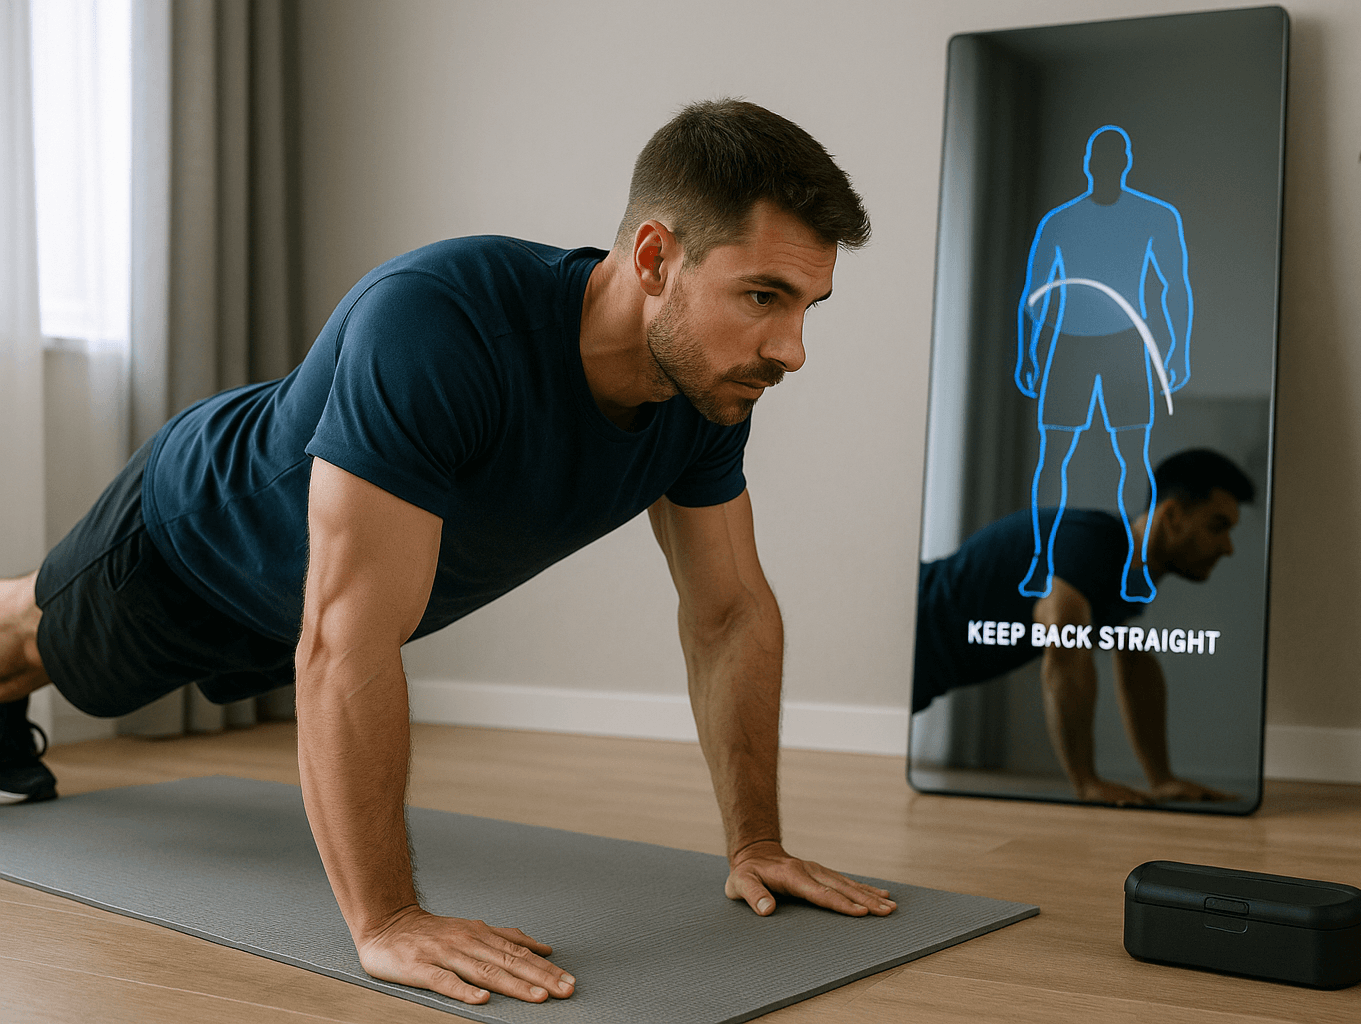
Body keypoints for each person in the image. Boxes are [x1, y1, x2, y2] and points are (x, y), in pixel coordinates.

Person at [0, 99, 896, 1007]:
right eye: (761, 297)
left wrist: (758, 843)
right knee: (33, 646)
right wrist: (387, 922)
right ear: (657, 257)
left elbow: (729, 611)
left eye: (806, 307)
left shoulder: (702, 393)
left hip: (302, 610)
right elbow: (347, 637)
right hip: (197, 538)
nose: (791, 350)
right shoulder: (442, 323)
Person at [911, 448, 1253, 806]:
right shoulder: (1097, 541)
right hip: (904, 621)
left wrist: (1162, 779)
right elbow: (1063, 638)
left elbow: (1136, 665)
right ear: (1171, 516)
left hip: (923, 669)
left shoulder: (1128, 579)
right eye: (1218, 526)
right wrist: (1086, 782)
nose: (1228, 547)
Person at [1014, 125, 1194, 603]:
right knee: (1055, 459)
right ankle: (1040, 559)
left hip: (1125, 346)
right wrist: (1028, 353)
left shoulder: (1154, 216)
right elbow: (1035, 295)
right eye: (1098, 158)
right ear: (1089, 164)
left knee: (1132, 458)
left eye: (1113, 159)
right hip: (1069, 346)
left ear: (1124, 163)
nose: (1104, 167)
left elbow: (1174, 286)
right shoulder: (1061, 221)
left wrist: (1177, 349)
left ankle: (1137, 565)